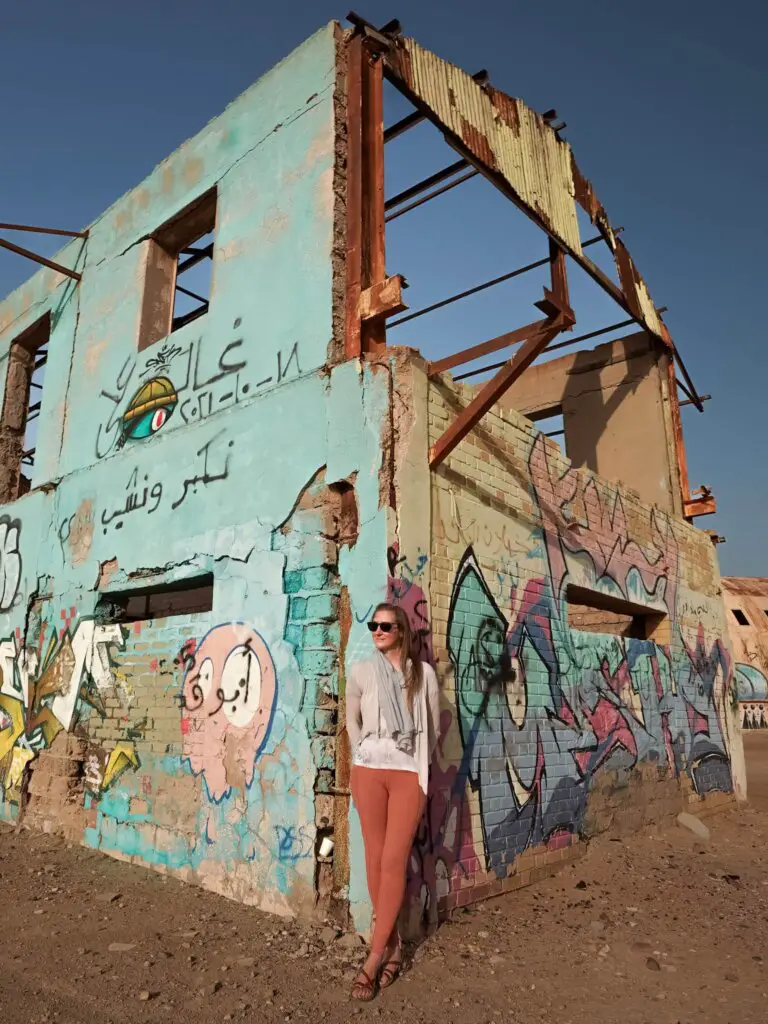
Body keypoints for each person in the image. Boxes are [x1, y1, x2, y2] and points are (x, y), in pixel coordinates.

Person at [345, 602, 440, 1001]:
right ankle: (395, 948)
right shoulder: (362, 671)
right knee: (374, 857)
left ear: (402, 630)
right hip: (368, 773)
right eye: (374, 625)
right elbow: (352, 720)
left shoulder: (423, 675)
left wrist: (417, 770)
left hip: (406, 777)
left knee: (393, 860)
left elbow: (431, 728)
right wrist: (359, 754)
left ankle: (374, 957)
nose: (378, 631)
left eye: (386, 625)